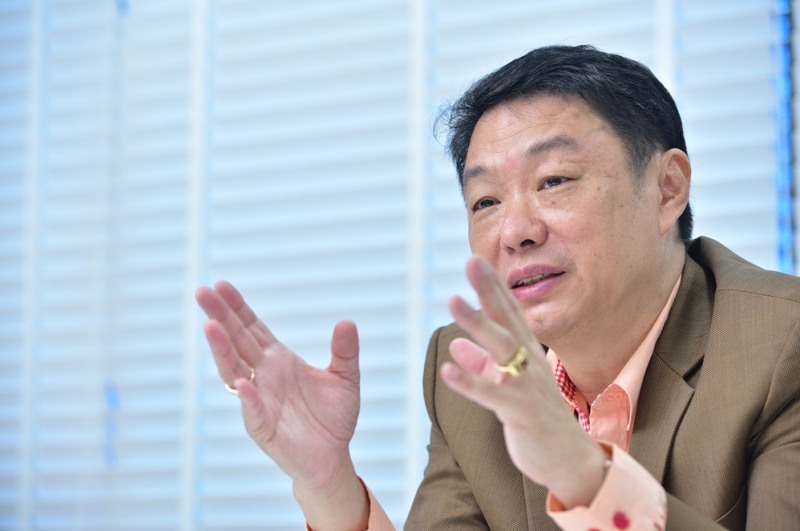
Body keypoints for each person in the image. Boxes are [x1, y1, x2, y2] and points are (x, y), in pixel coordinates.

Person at [195, 45, 800, 530]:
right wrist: (328, 487)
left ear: (667, 189)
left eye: (554, 180)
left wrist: (583, 474)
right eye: (485, 201)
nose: (515, 231)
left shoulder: (782, 344)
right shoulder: (473, 373)